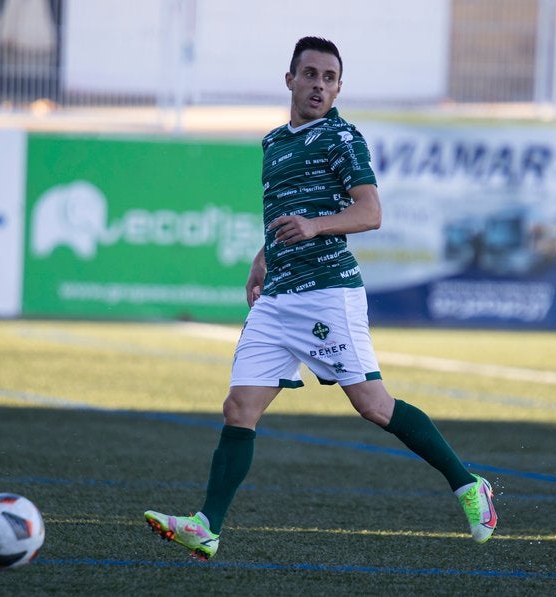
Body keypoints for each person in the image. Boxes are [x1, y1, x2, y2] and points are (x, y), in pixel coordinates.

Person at [145, 36, 497, 560]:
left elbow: (370, 212)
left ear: (337, 88)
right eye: (309, 74)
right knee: (239, 406)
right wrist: (262, 260)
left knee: (374, 406)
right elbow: (282, 212)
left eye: (329, 78)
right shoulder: (274, 143)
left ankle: (469, 485)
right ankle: (207, 526)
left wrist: (314, 226)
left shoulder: (342, 138)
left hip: (329, 295)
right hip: (279, 296)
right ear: (289, 79)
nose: (318, 85)